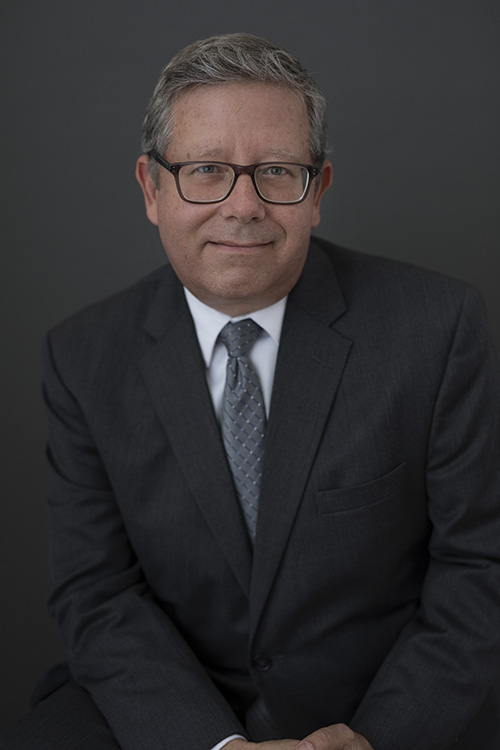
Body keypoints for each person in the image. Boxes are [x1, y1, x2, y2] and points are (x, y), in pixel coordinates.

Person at [2, 32, 500, 750]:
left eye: (275, 171)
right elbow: (99, 594)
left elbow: (478, 567)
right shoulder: (83, 357)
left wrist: (376, 738)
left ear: (318, 189)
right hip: (170, 706)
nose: (243, 206)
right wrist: (215, 745)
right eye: (206, 170)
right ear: (151, 187)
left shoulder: (437, 328)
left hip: (377, 704)